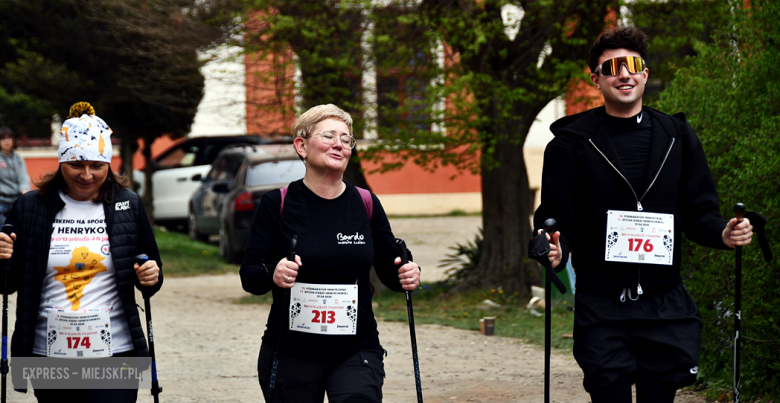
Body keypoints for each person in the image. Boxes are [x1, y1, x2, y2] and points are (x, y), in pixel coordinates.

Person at [533, 27, 753, 403]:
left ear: (645, 74)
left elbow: (699, 211)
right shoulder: (569, 144)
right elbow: (557, 220)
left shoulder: (677, 135)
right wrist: (556, 249)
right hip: (601, 305)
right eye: (612, 67)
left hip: (664, 303)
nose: (624, 73)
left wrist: (724, 234)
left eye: (633, 65)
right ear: (596, 79)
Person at [240, 104, 421, 403]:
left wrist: (408, 273)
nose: (339, 144)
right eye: (328, 136)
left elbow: (392, 269)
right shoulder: (278, 205)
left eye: (346, 139)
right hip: (291, 352)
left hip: (355, 350)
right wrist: (273, 273)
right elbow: (250, 277)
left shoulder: (365, 203)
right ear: (301, 146)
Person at [0, 102, 163, 402]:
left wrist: (151, 275)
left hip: (116, 350)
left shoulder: (127, 205)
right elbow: (6, 284)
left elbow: (150, 271)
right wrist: (2, 257)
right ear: (61, 161)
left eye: (96, 166)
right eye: (76, 164)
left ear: (108, 164)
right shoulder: (30, 208)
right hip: (49, 353)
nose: (86, 175)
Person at [0, 126, 30, 224]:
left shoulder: (18, 158)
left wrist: (25, 191)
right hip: (1, 202)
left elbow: (23, 178)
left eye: (9, 138)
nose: (7, 141)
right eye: (3, 138)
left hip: (16, 202)